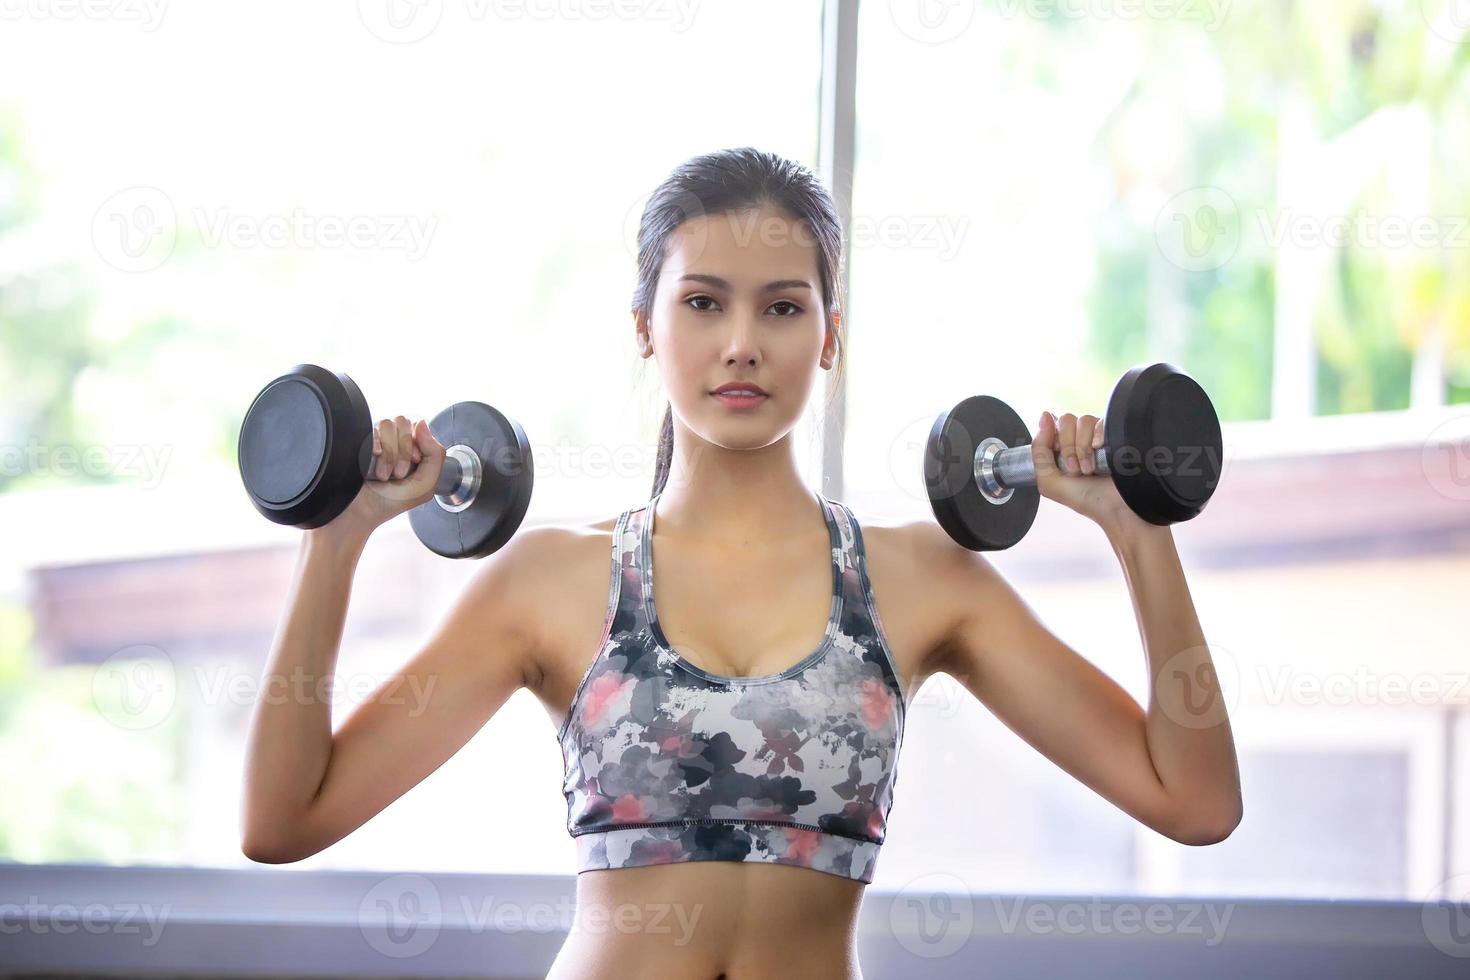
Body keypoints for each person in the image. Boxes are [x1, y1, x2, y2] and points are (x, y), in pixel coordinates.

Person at [241, 148, 1243, 979]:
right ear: (646, 326)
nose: (741, 346)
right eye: (705, 302)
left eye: (782, 308)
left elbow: (1194, 801)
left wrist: (1135, 532)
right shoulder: (546, 582)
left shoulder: (923, 581)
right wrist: (337, 540)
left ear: (830, 335)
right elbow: (283, 819)